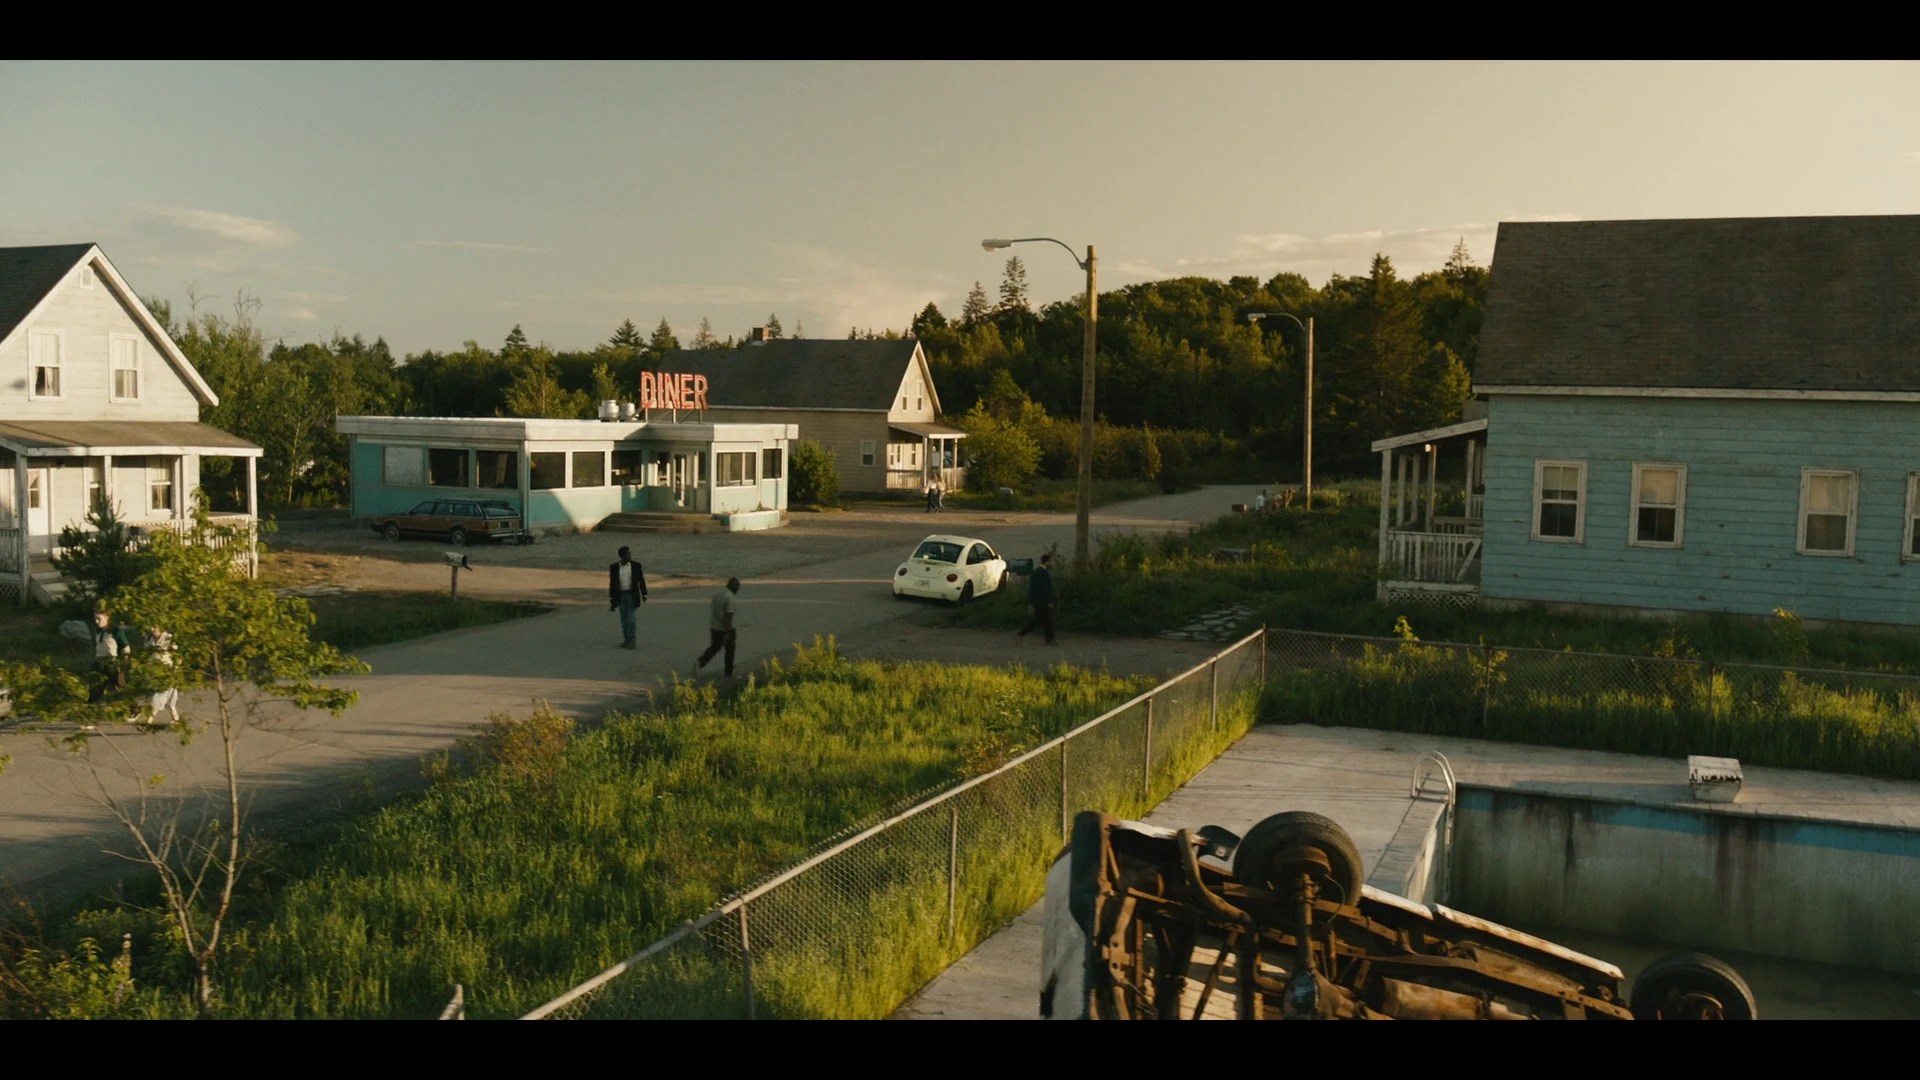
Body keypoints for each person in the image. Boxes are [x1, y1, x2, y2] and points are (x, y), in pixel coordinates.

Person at [695, 577, 741, 678]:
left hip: (714, 626)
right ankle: (728, 672)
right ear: (734, 587)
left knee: (714, 647)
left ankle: (700, 662)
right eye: (738, 587)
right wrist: (728, 632)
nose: (738, 590)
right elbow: (728, 616)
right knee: (730, 650)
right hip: (726, 628)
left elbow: (713, 607)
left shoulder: (718, 592)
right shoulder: (730, 598)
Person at [608, 545, 648, 649]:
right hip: (620, 595)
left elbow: (641, 581)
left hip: (632, 594)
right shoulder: (614, 567)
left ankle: (632, 640)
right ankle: (627, 639)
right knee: (624, 619)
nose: (630, 555)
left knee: (631, 618)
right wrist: (612, 599)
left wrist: (644, 594)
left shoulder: (636, 566)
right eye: (627, 554)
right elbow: (612, 584)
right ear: (621, 556)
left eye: (629, 553)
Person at [86, 607, 130, 704]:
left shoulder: (115, 631)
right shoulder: (98, 631)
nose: (96, 621)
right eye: (95, 619)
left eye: (99, 618)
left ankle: (130, 708)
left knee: (118, 690)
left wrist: (122, 668)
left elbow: (126, 649)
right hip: (98, 663)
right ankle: (93, 707)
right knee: (95, 690)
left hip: (111, 664)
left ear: (107, 617)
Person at [140, 627, 182, 726]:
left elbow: (178, 656)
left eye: (155, 628)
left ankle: (148, 723)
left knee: (159, 696)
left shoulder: (168, 638)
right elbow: (146, 655)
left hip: (166, 673)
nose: (152, 629)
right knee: (168, 699)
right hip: (153, 673)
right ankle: (176, 718)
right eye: (151, 627)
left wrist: (175, 669)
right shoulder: (148, 639)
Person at [1016, 553, 1057, 645]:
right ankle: (1049, 638)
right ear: (1047, 562)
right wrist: (1049, 601)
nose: (1052, 564)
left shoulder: (1037, 572)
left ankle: (1049, 638)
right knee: (1043, 620)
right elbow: (1045, 589)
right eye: (1051, 562)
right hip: (1041, 601)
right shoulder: (1043, 573)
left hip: (1037, 601)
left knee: (1043, 620)